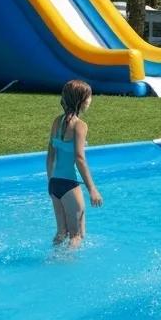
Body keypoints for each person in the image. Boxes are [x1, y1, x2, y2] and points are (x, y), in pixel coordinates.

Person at [46, 79, 103, 249]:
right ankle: (67, 264)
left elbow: (50, 155)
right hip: (70, 184)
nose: (91, 100)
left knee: (61, 233)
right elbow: (79, 158)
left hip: (54, 184)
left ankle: (51, 260)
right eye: (89, 97)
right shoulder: (80, 125)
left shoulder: (57, 122)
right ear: (81, 100)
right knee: (77, 236)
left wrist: (50, 182)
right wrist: (92, 189)